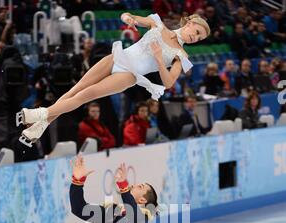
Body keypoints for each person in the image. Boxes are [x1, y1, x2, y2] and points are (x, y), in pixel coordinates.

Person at [15, 11, 211, 147]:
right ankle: (41, 125)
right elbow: (129, 16)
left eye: (200, 38)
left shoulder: (182, 55)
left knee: (86, 94)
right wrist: (128, 18)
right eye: (197, 32)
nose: (196, 38)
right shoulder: (157, 23)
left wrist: (160, 60)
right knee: (75, 89)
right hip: (118, 57)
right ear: (190, 23)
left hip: (130, 74)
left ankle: (39, 114)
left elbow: (168, 82)